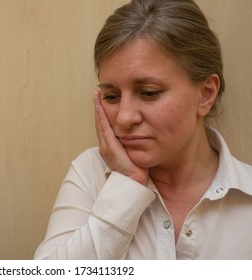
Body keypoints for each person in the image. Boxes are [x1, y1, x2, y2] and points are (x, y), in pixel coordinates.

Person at [34, 0, 252, 259]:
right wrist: (127, 185)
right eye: (112, 96)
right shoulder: (90, 173)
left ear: (205, 94)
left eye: (149, 93)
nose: (124, 118)